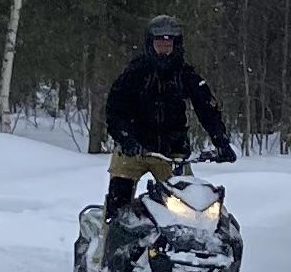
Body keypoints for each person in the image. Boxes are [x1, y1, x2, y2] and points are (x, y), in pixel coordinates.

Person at [99, 13, 234, 244]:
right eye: (159, 42)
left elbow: (207, 108)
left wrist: (220, 141)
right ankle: (103, 253)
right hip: (134, 150)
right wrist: (126, 139)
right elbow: (114, 111)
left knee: (190, 207)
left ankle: (187, 251)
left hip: (172, 153)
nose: (164, 47)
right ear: (150, 43)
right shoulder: (135, 73)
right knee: (117, 207)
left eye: (169, 42)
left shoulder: (185, 74)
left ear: (176, 44)